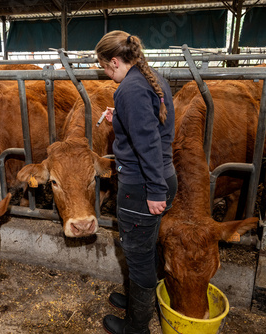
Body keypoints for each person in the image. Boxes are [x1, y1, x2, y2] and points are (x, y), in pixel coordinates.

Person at [95, 30, 178, 334]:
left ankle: (136, 326)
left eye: (104, 67)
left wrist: (154, 191)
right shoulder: (150, 77)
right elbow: (153, 122)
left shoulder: (130, 89)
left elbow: (147, 143)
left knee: (138, 255)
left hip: (143, 185)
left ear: (114, 61)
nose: (105, 73)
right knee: (146, 246)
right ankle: (136, 302)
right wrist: (120, 115)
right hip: (160, 177)